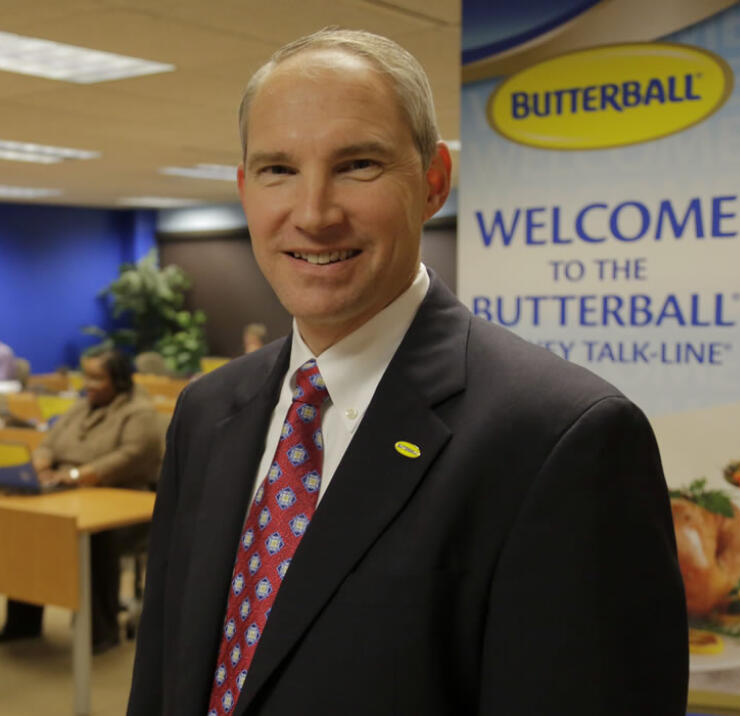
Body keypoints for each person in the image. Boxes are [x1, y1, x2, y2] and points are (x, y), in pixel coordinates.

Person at [127, 28, 686, 716]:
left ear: (433, 183)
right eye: (279, 170)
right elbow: (162, 671)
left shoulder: (562, 440)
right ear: (245, 191)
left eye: (358, 165)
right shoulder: (208, 411)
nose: (313, 214)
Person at [0, 346, 163, 653]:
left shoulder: (141, 414)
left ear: (119, 380)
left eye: (97, 378)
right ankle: (23, 622)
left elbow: (129, 457)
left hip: (125, 505)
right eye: (87, 377)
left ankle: (101, 631)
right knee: (26, 525)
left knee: (95, 538)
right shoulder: (81, 407)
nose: (89, 384)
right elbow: (48, 443)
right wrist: (42, 462)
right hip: (71, 495)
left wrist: (73, 476)